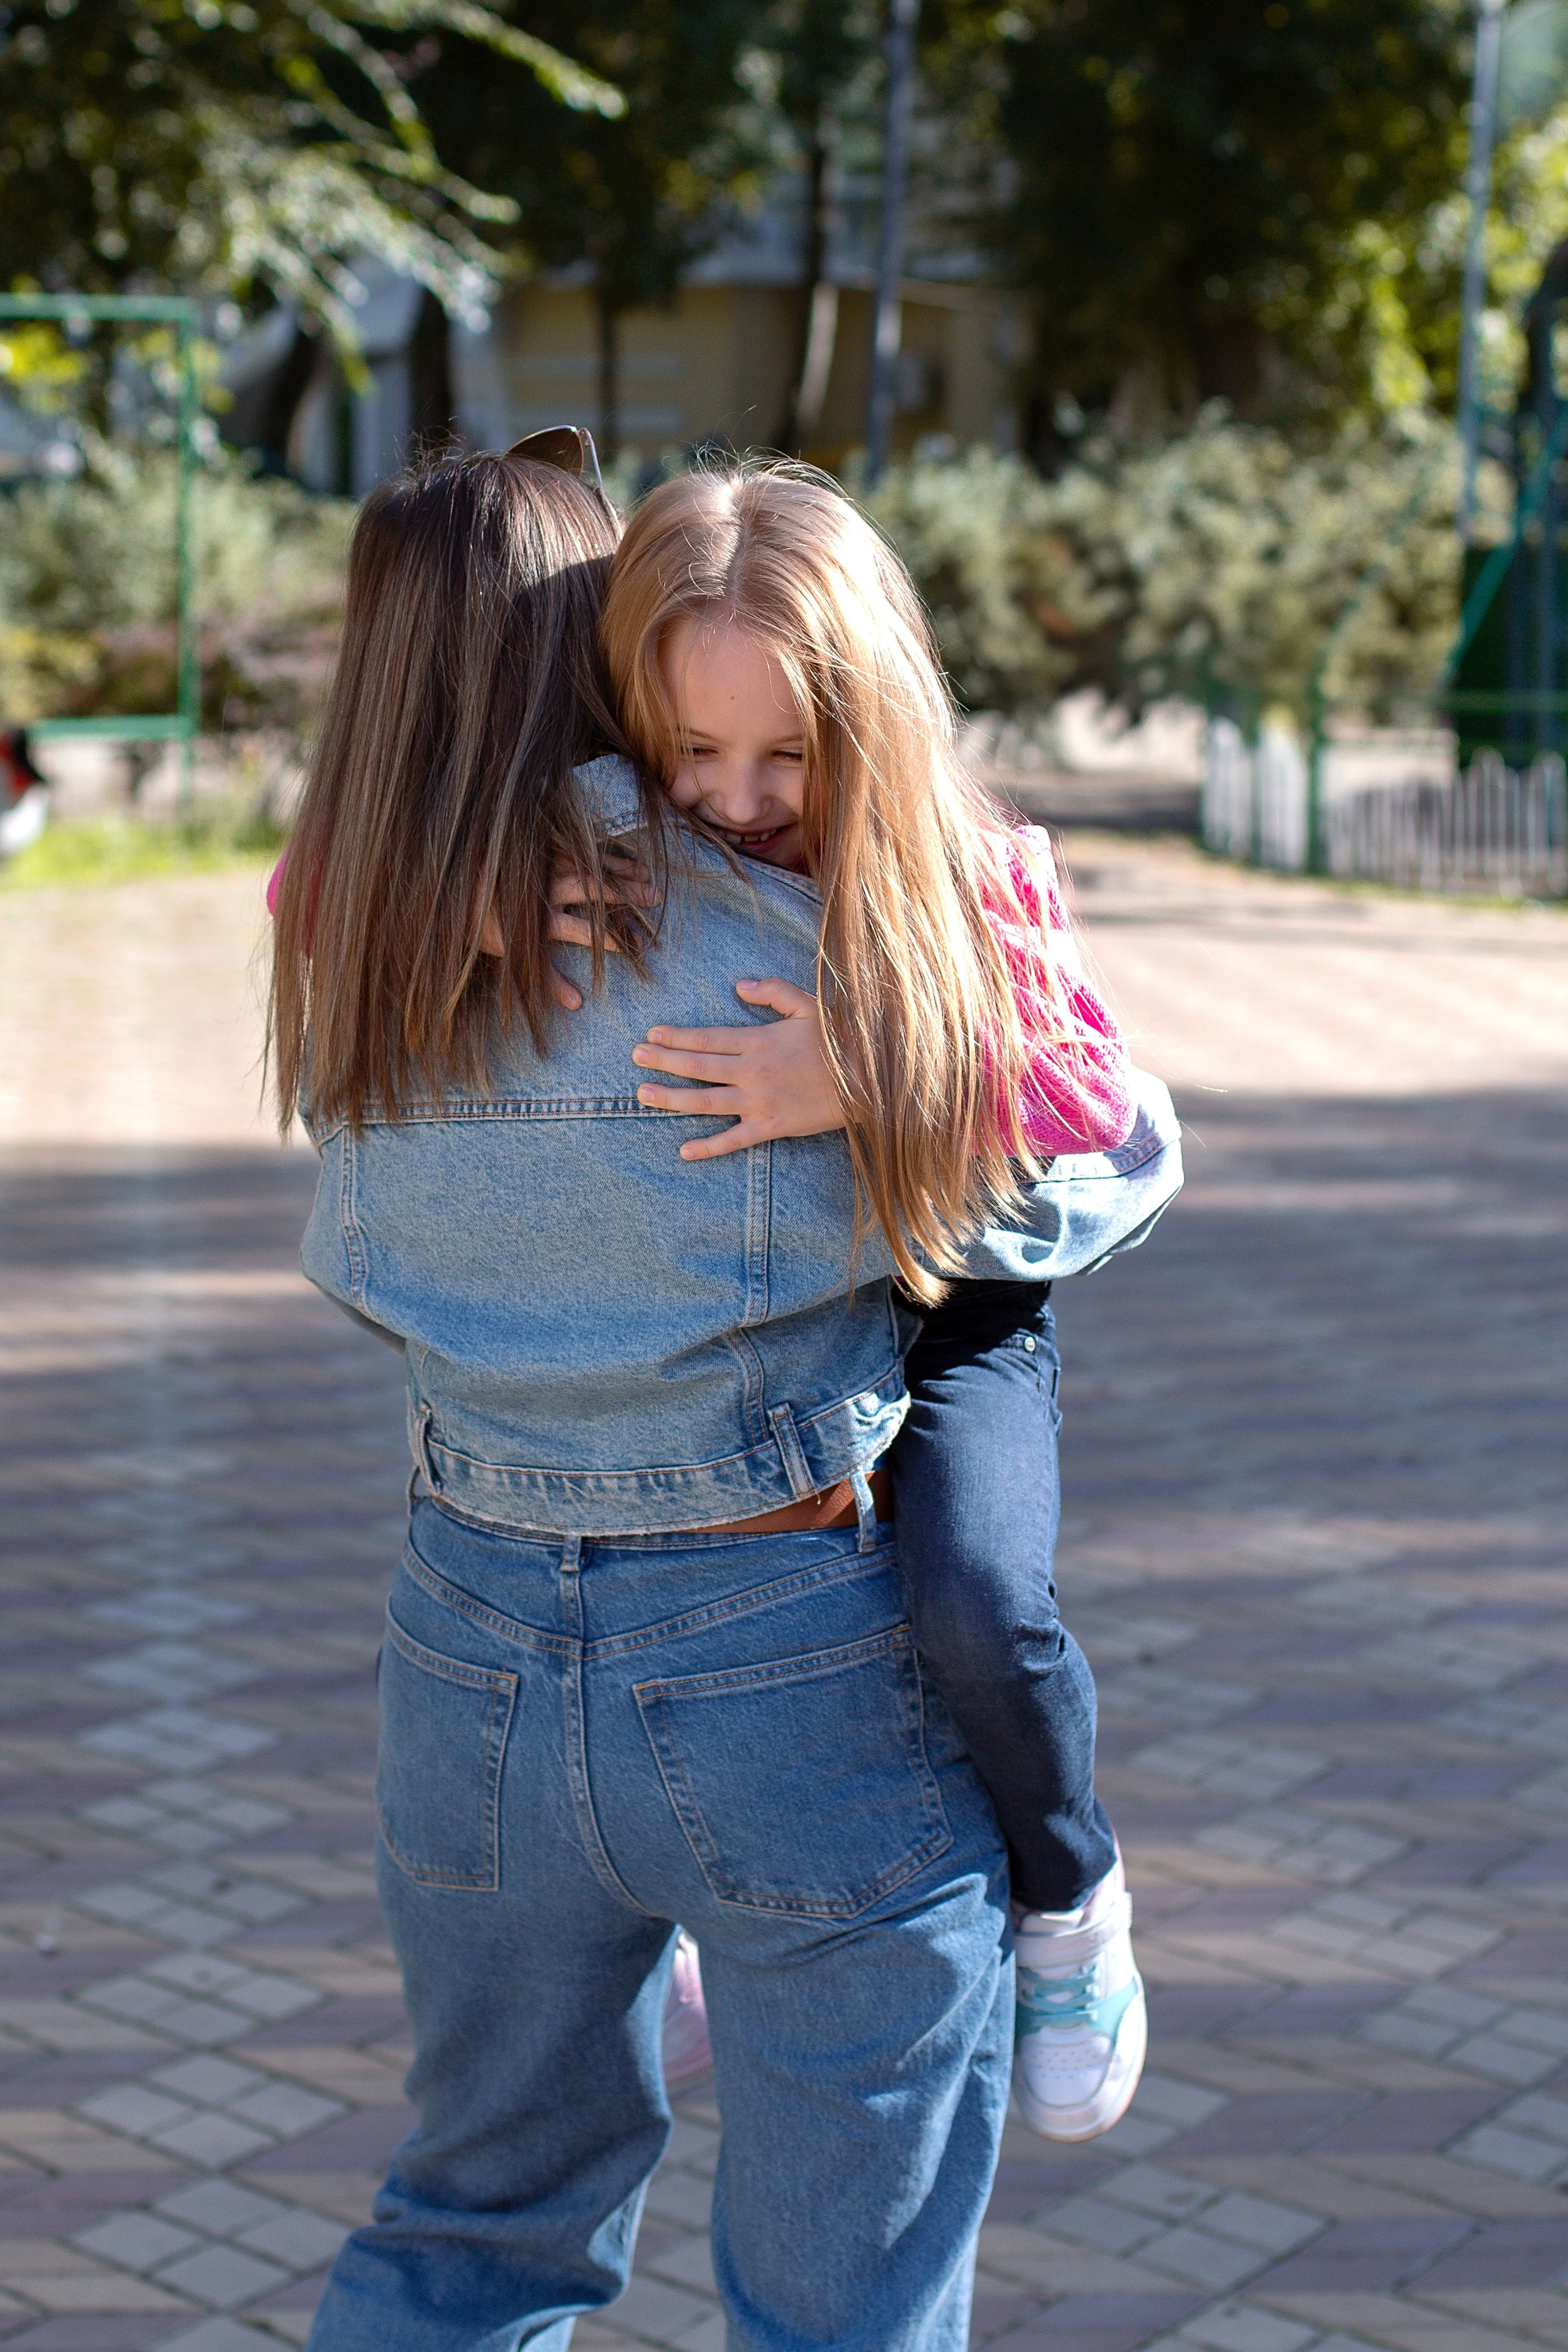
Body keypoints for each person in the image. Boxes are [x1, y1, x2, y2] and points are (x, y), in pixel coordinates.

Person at [269, 440, 1180, 2352]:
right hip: (784, 1658)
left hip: (466, 1650)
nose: (731, 800)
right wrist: (910, 1086)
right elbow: (1100, 1162)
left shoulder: (361, 943)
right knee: (840, 2305)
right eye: (689, 747)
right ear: (599, 655)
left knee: (470, 2225)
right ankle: (1070, 1896)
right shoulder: (813, 960)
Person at [598, 465, 1146, 2140]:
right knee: (676, 1591)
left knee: (971, 1595)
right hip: (745, 1315)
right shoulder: (611, 830)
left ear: (872, 714)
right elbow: (311, 896)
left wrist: (867, 1067)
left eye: (787, 753)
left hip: (949, 1300)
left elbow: (1089, 1099)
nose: (740, 797)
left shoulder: (969, 862)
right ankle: (702, 1913)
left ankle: (1072, 1897)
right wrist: (489, 882)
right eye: (695, 752)